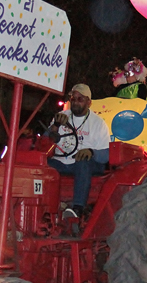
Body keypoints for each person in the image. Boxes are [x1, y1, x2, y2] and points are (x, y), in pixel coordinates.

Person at [46, 84, 110, 219]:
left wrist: (92, 152)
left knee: (83, 162)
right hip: (60, 161)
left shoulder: (98, 123)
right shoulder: (61, 116)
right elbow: (45, 143)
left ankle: (78, 208)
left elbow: (106, 155)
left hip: (83, 164)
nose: (75, 102)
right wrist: (55, 126)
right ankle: (45, 207)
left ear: (89, 102)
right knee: (41, 165)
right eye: (73, 98)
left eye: (80, 99)